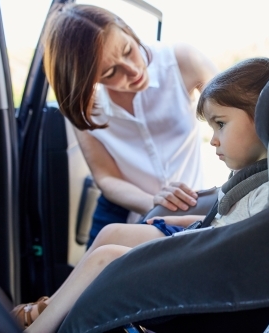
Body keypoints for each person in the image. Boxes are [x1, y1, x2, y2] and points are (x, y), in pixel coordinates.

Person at [12, 56, 269, 333]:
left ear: (262, 118)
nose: (214, 139)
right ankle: (49, 309)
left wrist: (184, 236)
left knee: (105, 258)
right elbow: (223, 217)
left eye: (221, 124)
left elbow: (234, 247)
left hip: (206, 275)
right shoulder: (253, 175)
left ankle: (39, 328)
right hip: (200, 245)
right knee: (111, 233)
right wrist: (182, 222)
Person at [42, 3, 219, 247]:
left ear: (127, 29)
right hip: (121, 212)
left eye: (127, 50)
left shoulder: (183, 61)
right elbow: (105, 177)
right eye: (111, 72)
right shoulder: (86, 106)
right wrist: (154, 202)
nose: (133, 70)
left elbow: (232, 116)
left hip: (187, 203)